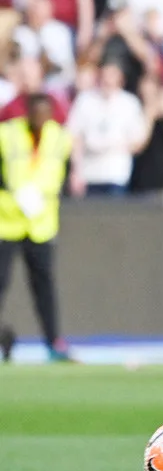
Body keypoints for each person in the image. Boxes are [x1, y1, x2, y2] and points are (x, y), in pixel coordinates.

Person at [0, 93, 76, 363]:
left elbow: (62, 173)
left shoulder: (60, 137)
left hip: (41, 222)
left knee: (44, 284)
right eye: (36, 113)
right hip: (7, 220)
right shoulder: (7, 134)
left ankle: (53, 340)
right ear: (28, 113)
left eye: (46, 113)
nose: (41, 119)